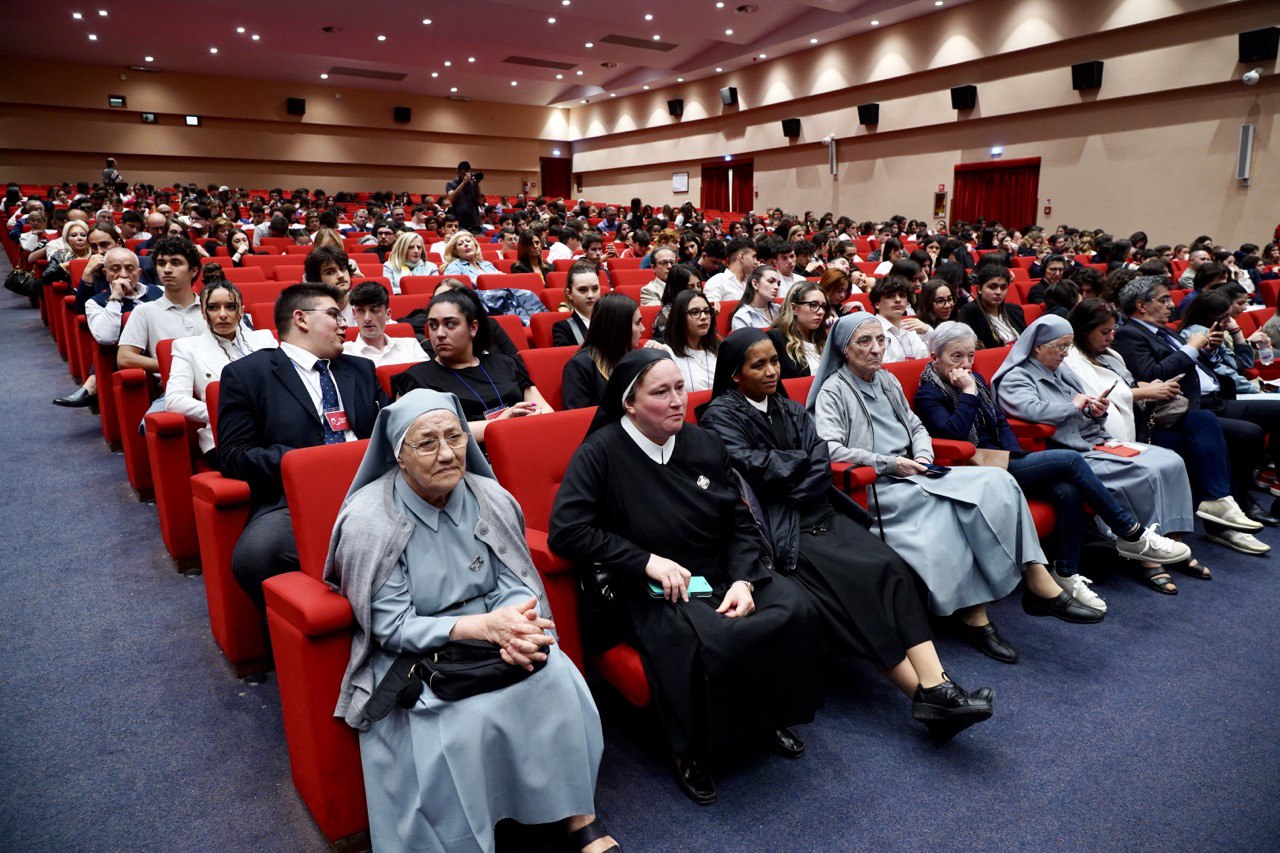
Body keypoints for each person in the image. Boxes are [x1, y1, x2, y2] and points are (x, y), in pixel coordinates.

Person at [326, 389, 617, 853]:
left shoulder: (488, 496)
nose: (446, 453)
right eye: (426, 443)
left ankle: (577, 814)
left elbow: (518, 577)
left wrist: (518, 624)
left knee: (556, 679)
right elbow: (390, 626)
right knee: (461, 722)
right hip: (418, 652)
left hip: (497, 630)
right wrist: (478, 629)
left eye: (455, 437)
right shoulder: (369, 522)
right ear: (397, 455)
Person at [549, 350, 820, 805]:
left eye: (680, 387)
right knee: (702, 636)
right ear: (629, 403)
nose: (678, 400)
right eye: (661, 392)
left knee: (794, 608)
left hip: (720, 571)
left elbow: (739, 522)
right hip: (646, 586)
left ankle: (764, 717)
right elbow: (567, 532)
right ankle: (689, 750)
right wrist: (643, 560)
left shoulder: (704, 444)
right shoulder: (600, 453)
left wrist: (744, 580)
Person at [700, 330, 994, 736]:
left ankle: (938, 687)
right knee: (856, 587)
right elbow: (755, 471)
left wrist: (794, 472)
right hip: (782, 529)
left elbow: (819, 458)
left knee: (890, 566)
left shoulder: (789, 406)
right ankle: (928, 696)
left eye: (774, 361)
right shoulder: (718, 416)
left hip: (821, 510)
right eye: (758, 365)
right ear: (734, 374)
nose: (772, 371)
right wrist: (796, 470)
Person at [809, 314, 1101, 666]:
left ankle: (1037, 580)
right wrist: (890, 463)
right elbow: (830, 449)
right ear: (843, 348)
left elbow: (915, 425)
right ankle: (974, 618)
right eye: (864, 342)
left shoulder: (886, 380)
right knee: (951, 513)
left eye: (881, 340)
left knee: (1000, 480)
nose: (876, 349)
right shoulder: (833, 389)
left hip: (918, 468)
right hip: (880, 484)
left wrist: (920, 452)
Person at [918, 322, 1194, 600]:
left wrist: (1018, 457)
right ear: (934, 358)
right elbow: (954, 433)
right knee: (1070, 460)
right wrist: (968, 395)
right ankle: (1131, 532)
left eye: (970, 356)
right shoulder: (929, 392)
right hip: (972, 469)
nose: (966, 364)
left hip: (1002, 460)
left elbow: (1001, 425)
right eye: (956, 357)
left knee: (1066, 491)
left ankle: (1066, 573)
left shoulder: (975, 381)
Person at [991, 316, 1213, 576]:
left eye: (1068, 347)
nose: (1065, 353)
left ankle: (1173, 540)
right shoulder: (1016, 377)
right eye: (1060, 347)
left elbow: (1084, 405)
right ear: (1037, 346)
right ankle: (1145, 556)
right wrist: (1073, 405)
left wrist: (1097, 410)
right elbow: (1030, 410)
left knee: (1171, 460)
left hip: (1096, 438)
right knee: (1144, 474)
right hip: (1069, 448)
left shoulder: (1060, 370)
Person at [218, 283, 388, 610]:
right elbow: (233, 456)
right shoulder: (248, 375)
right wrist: (306, 463)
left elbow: (390, 430)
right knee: (257, 552)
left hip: (374, 487)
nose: (345, 324)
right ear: (301, 319)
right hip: (295, 498)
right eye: (334, 315)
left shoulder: (361, 369)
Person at [1111, 277, 1278, 551]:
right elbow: (1154, 375)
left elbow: (1198, 365)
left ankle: (1236, 504)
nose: (1171, 305)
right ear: (1141, 306)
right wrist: (1192, 347)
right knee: (1247, 433)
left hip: (1213, 398)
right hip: (1179, 410)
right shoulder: (1131, 334)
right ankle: (1230, 510)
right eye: (1163, 300)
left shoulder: (1164, 331)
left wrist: (1209, 350)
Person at [391, 291, 552, 443]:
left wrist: (529, 418)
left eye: (450, 324)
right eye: (433, 325)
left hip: (526, 444)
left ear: (473, 328)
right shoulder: (416, 379)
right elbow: (423, 436)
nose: (439, 333)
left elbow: (545, 411)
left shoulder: (507, 364)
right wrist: (501, 424)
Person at [166, 279, 277, 459]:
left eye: (231, 307)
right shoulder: (186, 348)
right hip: (224, 436)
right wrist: (227, 413)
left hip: (273, 430)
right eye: (213, 307)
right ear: (203, 312)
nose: (222, 314)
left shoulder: (264, 340)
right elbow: (174, 400)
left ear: (241, 310)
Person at [117, 236, 207, 378]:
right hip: (173, 386)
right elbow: (124, 358)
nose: (167, 269)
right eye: (161, 263)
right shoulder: (144, 311)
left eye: (176, 263)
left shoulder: (212, 307)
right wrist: (175, 366)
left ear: (193, 271)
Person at [562, 294, 644, 410]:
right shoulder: (579, 366)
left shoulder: (635, 357)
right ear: (619, 327)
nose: (643, 329)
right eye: (637, 323)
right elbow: (579, 418)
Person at [342, 281, 428, 367]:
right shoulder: (344, 353)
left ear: (388, 314)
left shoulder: (410, 346)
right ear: (354, 314)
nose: (367, 318)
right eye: (360, 310)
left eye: (374, 310)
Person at [660, 290, 719, 393]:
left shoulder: (720, 349)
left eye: (706, 311)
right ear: (680, 318)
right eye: (695, 312)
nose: (704, 317)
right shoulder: (668, 354)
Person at [768, 282, 829, 378]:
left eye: (823, 306)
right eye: (813, 305)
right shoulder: (777, 338)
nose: (821, 312)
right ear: (794, 308)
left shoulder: (824, 338)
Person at [958, 265, 1026, 349]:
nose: (998, 292)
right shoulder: (970, 312)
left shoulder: (1015, 310)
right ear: (979, 289)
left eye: (1003, 287)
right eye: (992, 287)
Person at [870, 276, 931, 363]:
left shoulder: (911, 328)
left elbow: (930, 361)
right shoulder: (871, 330)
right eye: (890, 296)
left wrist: (928, 332)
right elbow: (883, 370)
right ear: (877, 304)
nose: (898, 300)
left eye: (902, 296)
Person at [552, 262, 600, 347]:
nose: (590, 295)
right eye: (582, 290)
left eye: (595, 289)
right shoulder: (563, 328)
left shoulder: (613, 320)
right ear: (569, 293)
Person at [703, 238, 757, 303]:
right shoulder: (717, 282)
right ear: (742, 257)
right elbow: (711, 311)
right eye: (753, 257)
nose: (756, 262)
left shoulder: (753, 283)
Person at [730, 265, 782, 330]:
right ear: (755, 284)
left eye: (778, 284)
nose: (776, 287)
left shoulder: (780, 310)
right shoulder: (742, 317)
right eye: (771, 281)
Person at [445, 161, 485, 233]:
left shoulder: (472, 183)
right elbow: (452, 197)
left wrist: (476, 184)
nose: (464, 176)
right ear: (458, 171)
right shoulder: (451, 184)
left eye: (466, 174)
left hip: (473, 221)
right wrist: (464, 183)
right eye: (463, 174)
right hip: (459, 221)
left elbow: (478, 199)